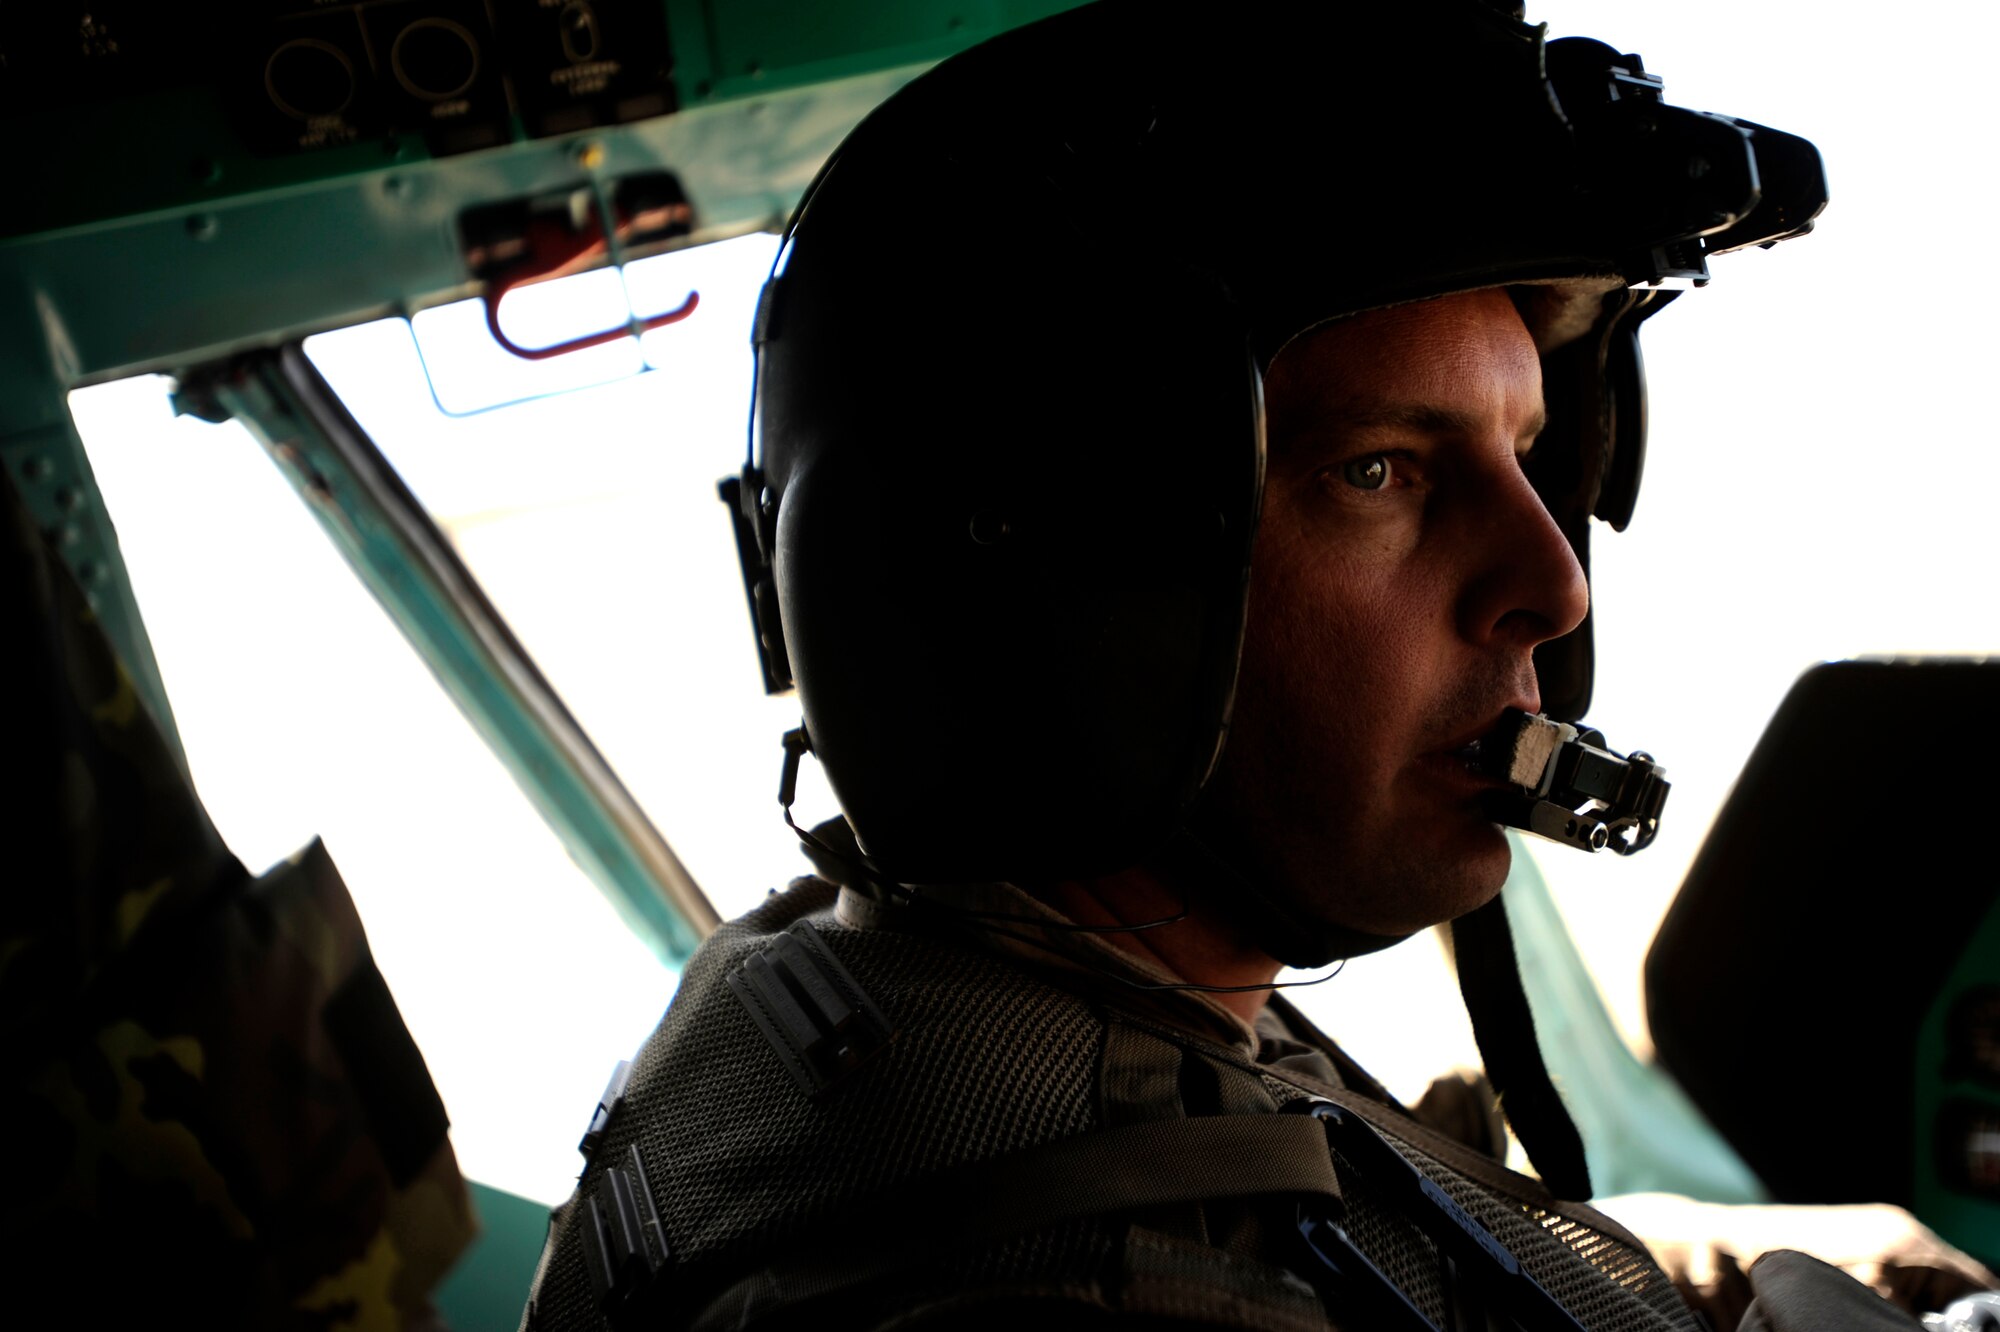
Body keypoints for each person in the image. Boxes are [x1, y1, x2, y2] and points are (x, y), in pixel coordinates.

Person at [517, 2, 1866, 1328]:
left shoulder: (845, 980)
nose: (1554, 588)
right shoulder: (1080, 1279)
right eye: (1381, 472)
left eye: (1526, 457)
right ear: (1057, 582)